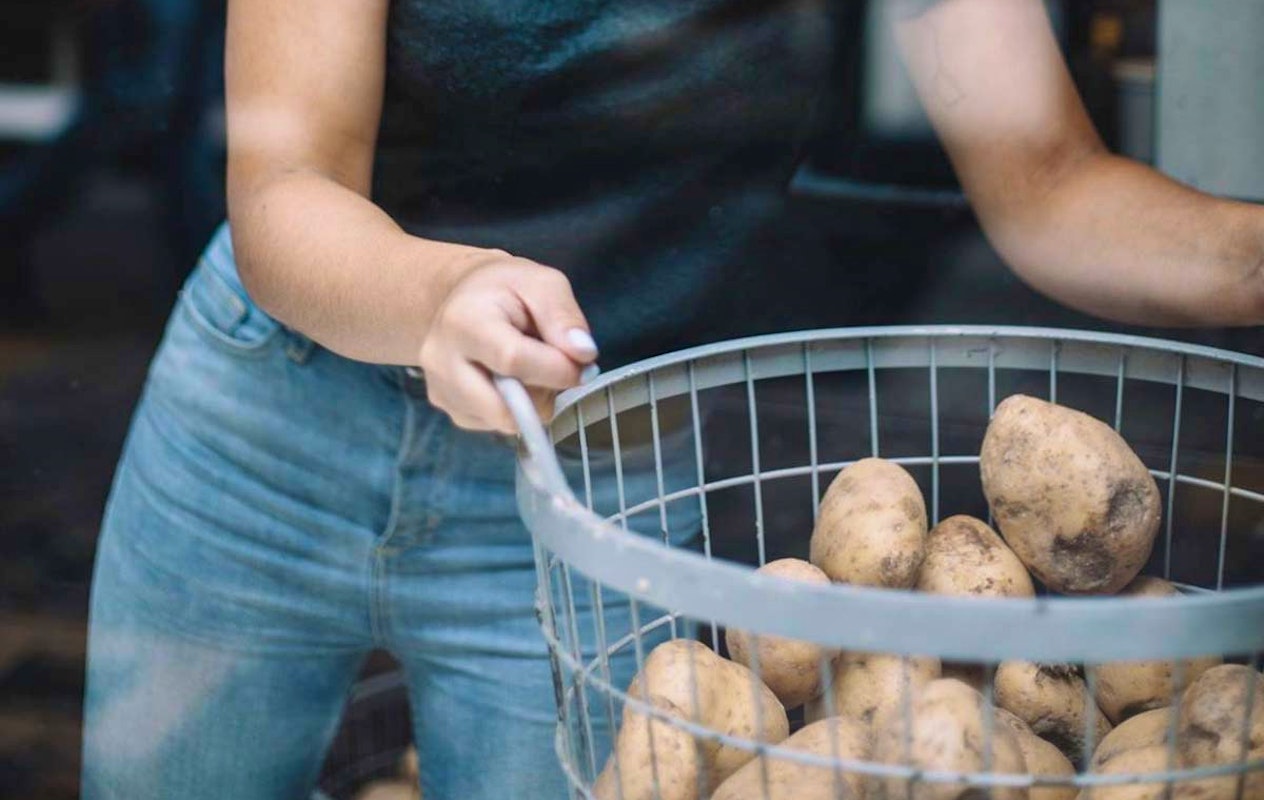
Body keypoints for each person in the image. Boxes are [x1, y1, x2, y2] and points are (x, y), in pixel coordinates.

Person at [81, 0, 1264, 798]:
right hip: (265, 428)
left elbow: (1049, 186)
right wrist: (440, 287)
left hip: (598, 484)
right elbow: (286, 181)